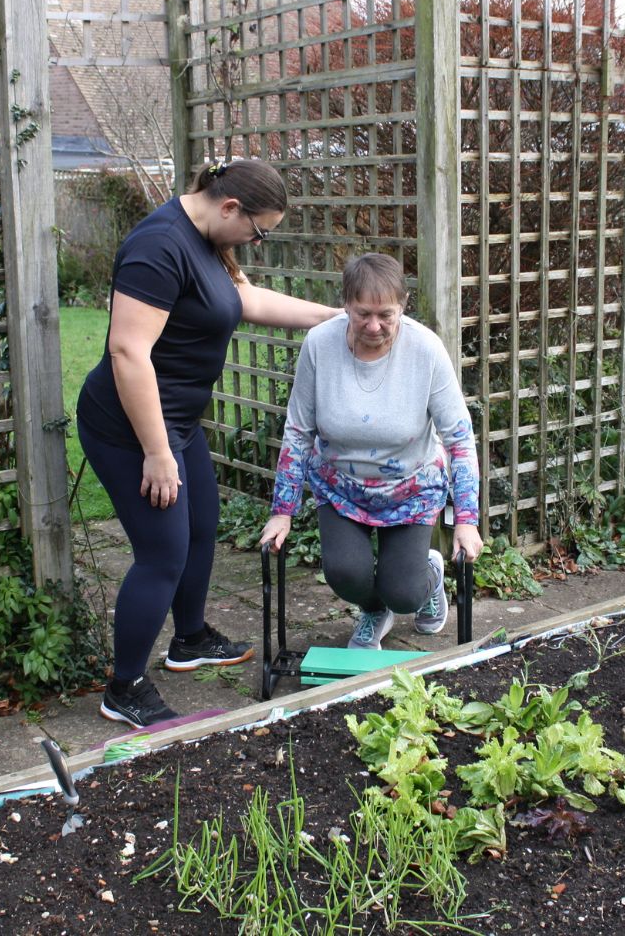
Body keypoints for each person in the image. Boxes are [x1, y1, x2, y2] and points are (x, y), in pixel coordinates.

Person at [76, 158, 340, 729]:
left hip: (178, 422)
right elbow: (128, 353)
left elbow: (246, 300)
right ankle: (124, 687)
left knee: (201, 527)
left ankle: (189, 640)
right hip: (131, 428)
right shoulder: (159, 247)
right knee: (162, 554)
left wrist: (337, 318)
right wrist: (155, 451)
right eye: (259, 228)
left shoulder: (207, 241)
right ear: (229, 208)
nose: (258, 239)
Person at [259, 252, 482, 649]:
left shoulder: (426, 350)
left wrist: (466, 519)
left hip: (410, 488)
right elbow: (297, 431)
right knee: (345, 574)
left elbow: (459, 438)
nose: (374, 326)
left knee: (405, 593)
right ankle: (374, 611)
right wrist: (282, 511)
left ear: (402, 307)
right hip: (341, 486)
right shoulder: (319, 345)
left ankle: (427, 580)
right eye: (363, 314)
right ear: (345, 303)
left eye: (386, 315)